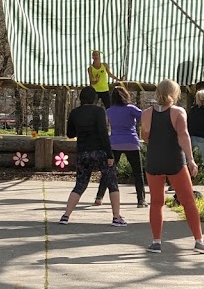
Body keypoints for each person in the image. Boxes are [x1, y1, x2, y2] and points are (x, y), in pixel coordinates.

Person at [142, 79, 204, 254]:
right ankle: (199, 241)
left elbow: (145, 137)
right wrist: (191, 159)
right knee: (188, 202)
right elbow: (183, 136)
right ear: (175, 93)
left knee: (156, 203)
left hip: (154, 161)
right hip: (174, 160)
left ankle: (156, 242)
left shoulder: (146, 113)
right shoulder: (178, 112)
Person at [58, 87, 125, 226]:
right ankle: (116, 217)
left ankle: (66, 216)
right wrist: (110, 154)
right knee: (112, 182)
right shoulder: (99, 111)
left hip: (83, 152)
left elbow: (70, 133)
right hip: (100, 151)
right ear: (95, 99)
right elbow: (103, 133)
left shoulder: (75, 113)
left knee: (80, 184)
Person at [93, 85, 147, 208]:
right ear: (126, 95)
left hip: (115, 143)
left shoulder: (109, 111)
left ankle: (99, 197)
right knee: (138, 173)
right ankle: (141, 200)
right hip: (131, 142)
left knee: (108, 171)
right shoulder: (131, 109)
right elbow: (144, 117)